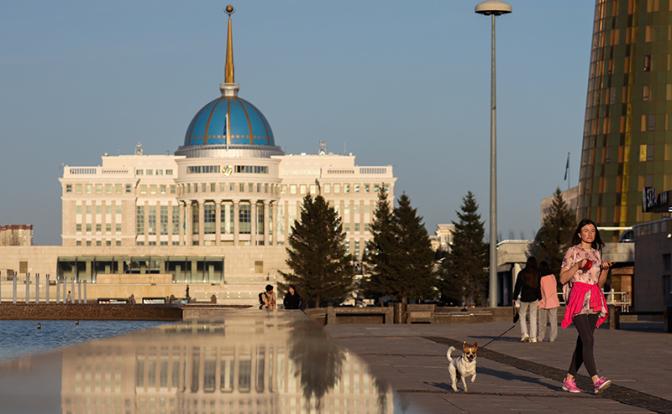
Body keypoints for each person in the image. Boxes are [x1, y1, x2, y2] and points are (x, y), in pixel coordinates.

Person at [559, 219, 612, 395]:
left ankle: (569, 379)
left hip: (594, 297)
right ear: (579, 233)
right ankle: (596, 380)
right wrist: (577, 265)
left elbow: (599, 283)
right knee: (588, 340)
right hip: (578, 298)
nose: (589, 234)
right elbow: (563, 278)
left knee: (583, 341)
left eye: (592, 231)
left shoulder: (597, 254)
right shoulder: (572, 251)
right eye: (586, 230)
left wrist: (604, 269)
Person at [513, 257, 541, 343]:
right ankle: (533, 337)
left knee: (522, 315)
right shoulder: (537, 273)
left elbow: (518, 286)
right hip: (534, 297)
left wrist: (514, 297)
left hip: (524, 297)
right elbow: (539, 286)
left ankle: (524, 334)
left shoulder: (522, 273)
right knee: (533, 317)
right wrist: (540, 297)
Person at [538, 261, 560, 342]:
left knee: (542, 322)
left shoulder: (541, 277)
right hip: (553, 301)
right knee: (553, 321)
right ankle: (552, 337)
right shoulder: (552, 276)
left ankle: (541, 337)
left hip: (543, 302)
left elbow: (540, 290)